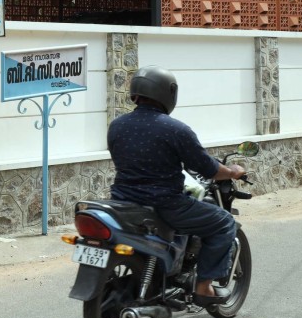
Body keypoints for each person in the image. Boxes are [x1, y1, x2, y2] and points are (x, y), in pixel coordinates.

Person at [106, 66, 247, 305]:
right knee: (224, 222)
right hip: (165, 204)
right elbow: (208, 168)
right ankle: (203, 288)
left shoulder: (117, 126)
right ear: (168, 93)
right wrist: (232, 172)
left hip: (123, 202)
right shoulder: (175, 129)